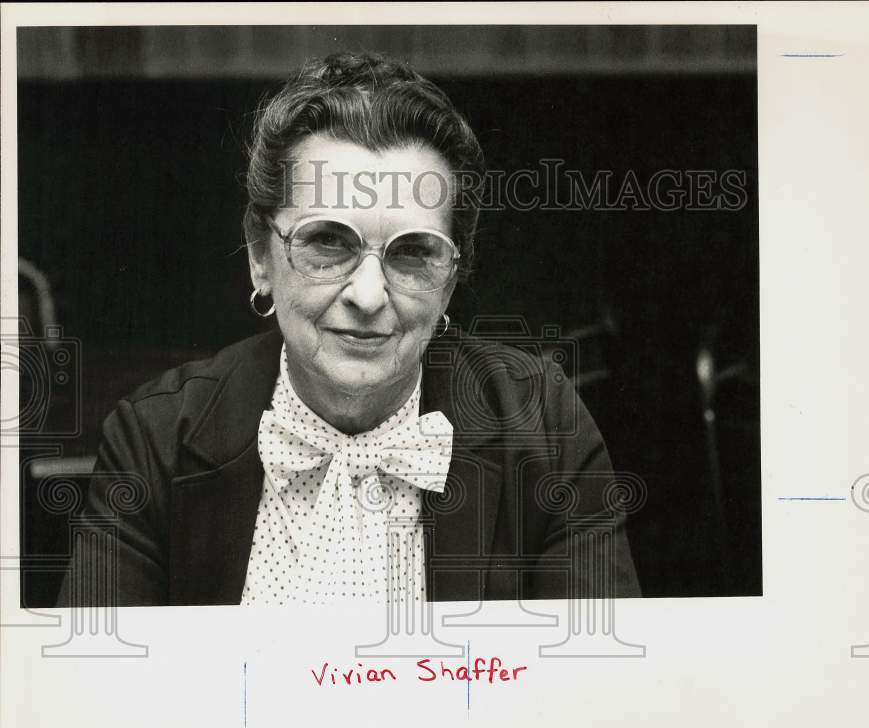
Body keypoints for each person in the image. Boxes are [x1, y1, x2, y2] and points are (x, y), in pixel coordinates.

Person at [57, 51, 641, 606]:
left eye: (413, 252)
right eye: (328, 242)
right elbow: (101, 696)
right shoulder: (155, 440)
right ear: (261, 255)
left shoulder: (543, 428)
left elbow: (595, 695)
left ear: (452, 277)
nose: (367, 296)